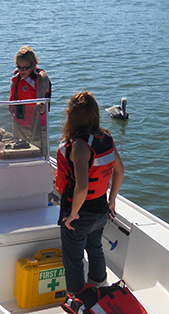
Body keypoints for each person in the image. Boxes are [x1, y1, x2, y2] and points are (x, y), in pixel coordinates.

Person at [54, 91, 125, 295]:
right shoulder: (106, 138)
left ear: (72, 116)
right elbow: (120, 170)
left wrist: (73, 214)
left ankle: (78, 301)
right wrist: (112, 201)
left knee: (74, 260)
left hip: (80, 213)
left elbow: (82, 187)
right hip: (101, 209)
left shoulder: (79, 146)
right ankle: (99, 291)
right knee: (95, 250)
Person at [9, 46, 51, 147]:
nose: (22, 71)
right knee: (19, 152)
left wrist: (40, 101)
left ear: (34, 64)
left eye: (25, 68)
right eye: (19, 67)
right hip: (18, 122)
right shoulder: (17, 75)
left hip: (36, 125)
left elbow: (42, 88)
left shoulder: (40, 76)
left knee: (39, 153)